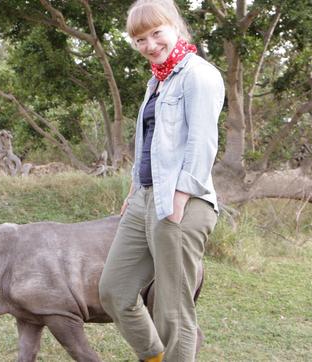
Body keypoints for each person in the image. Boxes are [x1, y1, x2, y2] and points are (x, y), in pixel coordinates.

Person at [98, 0, 225, 361]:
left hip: (182, 200)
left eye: (156, 33)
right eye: (140, 39)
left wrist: (180, 196)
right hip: (145, 198)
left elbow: (203, 142)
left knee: (172, 309)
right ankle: (155, 357)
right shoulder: (158, 80)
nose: (150, 45)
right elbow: (151, 143)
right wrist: (135, 190)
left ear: (175, 26)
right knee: (114, 291)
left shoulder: (199, 75)